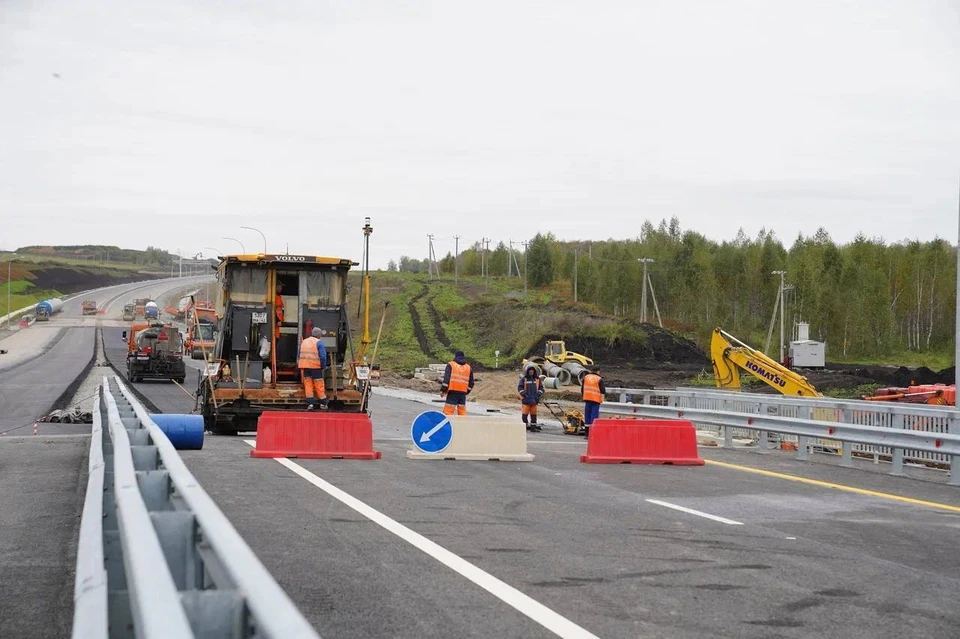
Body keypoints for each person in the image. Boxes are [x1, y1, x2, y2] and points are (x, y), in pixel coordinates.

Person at [298, 327, 328, 409]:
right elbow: (323, 356)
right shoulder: (319, 342)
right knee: (319, 384)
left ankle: (310, 404)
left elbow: (299, 353)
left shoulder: (304, 341)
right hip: (315, 367)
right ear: (319, 335)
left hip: (305, 367)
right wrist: (323, 366)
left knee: (308, 384)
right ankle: (323, 403)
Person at [440, 350, 474, 416]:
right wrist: (466, 391)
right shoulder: (468, 367)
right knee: (462, 412)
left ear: (455, 356)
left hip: (453, 391)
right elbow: (471, 383)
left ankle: (446, 424)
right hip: (462, 393)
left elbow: (446, 380)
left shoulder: (451, 365)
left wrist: (443, 390)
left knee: (448, 412)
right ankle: (462, 425)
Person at [518, 363, 544, 432]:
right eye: (530, 371)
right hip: (526, 401)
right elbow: (520, 388)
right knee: (524, 415)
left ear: (534, 371)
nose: (531, 372)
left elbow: (541, 388)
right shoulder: (524, 379)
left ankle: (533, 427)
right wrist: (524, 395)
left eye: (532, 370)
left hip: (534, 401)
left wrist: (538, 394)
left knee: (534, 415)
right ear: (527, 371)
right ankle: (524, 427)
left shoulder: (537, 379)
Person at [581, 366, 606, 435]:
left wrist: (583, 396)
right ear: (598, 371)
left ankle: (587, 433)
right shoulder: (599, 379)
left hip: (587, 398)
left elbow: (582, 388)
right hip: (595, 400)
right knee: (594, 416)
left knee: (587, 415)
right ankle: (593, 433)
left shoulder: (586, 377)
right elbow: (603, 391)